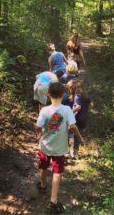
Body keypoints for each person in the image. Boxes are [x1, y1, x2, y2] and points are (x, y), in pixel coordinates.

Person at [35, 82, 84, 213]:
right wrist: (80, 138)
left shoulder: (44, 110)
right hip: (60, 149)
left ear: (48, 95)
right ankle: (53, 200)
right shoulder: (67, 110)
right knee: (57, 172)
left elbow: (38, 125)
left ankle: (43, 185)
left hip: (45, 146)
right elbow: (73, 126)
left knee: (43, 166)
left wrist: (39, 134)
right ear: (63, 95)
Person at [68, 79, 92, 159]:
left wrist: (70, 112)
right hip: (84, 118)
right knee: (77, 135)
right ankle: (76, 153)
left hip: (77, 118)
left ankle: (66, 151)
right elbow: (91, 104)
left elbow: (78, 107)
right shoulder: (86, 95)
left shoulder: (77, 96)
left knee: (69, 132)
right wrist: (86, 111)